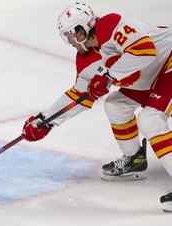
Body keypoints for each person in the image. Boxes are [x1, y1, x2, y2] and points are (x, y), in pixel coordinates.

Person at [22, 2, 172, 212]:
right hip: (151, 79)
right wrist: (46, 121)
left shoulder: (110, 25)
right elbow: (80, 96)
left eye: (69, 35)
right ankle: (135, 159)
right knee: (116, 104)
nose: (69, 42)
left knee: (150, 120)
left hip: (169, 64)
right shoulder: (86, 60)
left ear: (81, 30)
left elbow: (144, 50)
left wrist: (109, 75)